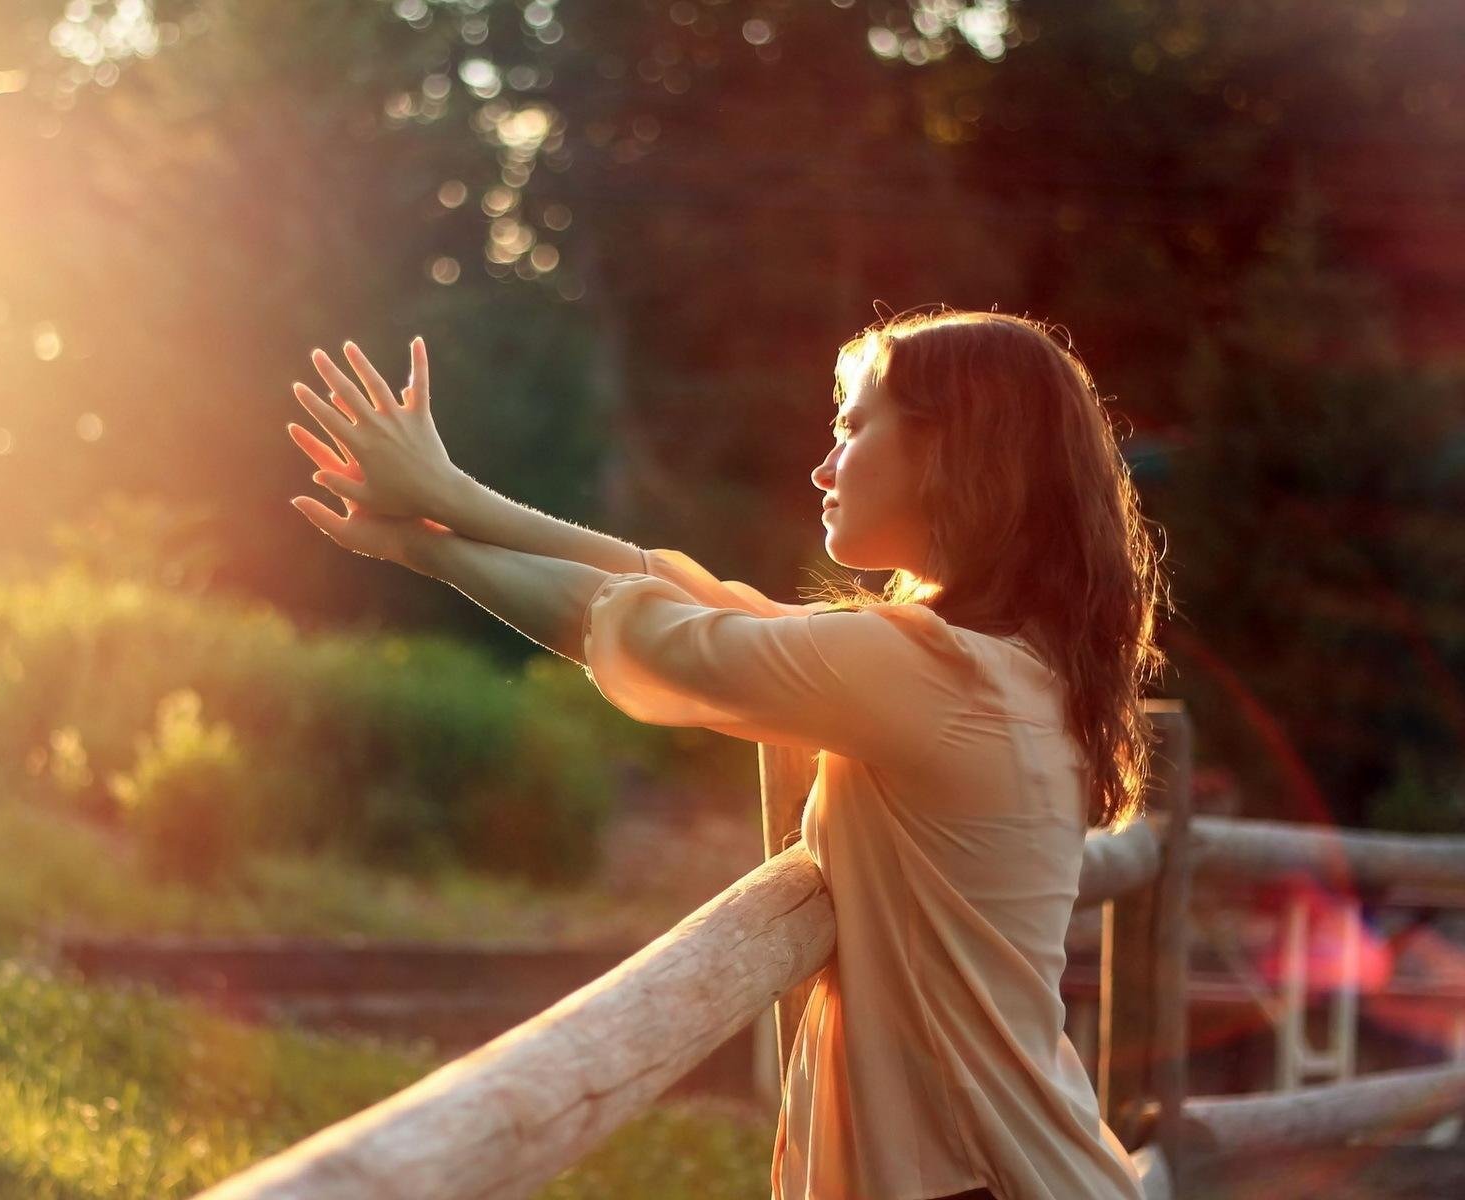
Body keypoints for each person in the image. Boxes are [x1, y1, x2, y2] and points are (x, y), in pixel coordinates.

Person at [284, 307, 1169, 1200]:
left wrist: (429, 530)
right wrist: (442, 507)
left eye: (853, 427)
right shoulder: (1004, 666)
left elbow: (657, 630)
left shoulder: (935, 675)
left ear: (950, 452)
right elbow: (691, 595)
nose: (824, 466)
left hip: (977, 1184)